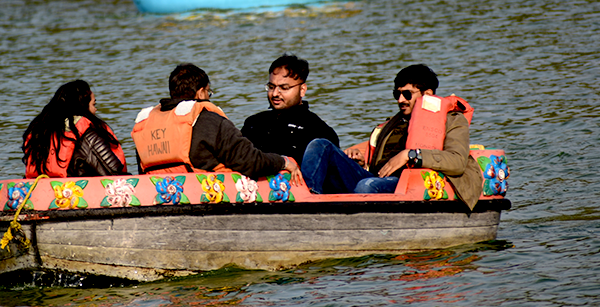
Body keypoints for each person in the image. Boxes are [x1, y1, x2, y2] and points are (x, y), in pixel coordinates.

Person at [301, 64, 483, 210]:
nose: (400, 100)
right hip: (374, 179)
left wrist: (410, 155)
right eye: (397, 94)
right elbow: (377, 164)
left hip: (408, 185)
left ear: (427, 94)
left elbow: (457, 161)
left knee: (367, 186)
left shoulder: (452, 120)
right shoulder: (392, 124)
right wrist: (361, 160)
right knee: (320, 145)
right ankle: (306, 203)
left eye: (407, 94)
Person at [131, 63, 302, 183]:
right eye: (208, 93)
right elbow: (250, 162)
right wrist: (284, 162)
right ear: (200, 93)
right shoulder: (209, 120)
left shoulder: (146, 124)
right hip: (210, 197)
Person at [241, 54, 339, 166]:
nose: (275, 94)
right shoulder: (253, 123)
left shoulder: (319, 131)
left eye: (284, 88)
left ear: (302, 90)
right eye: (271, 87)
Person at [22, 80, 127, 178]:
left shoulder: (40, 134)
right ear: (83, 106)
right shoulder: (85, 133)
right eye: (94, 104)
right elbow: (114, 172)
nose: (96, 110)